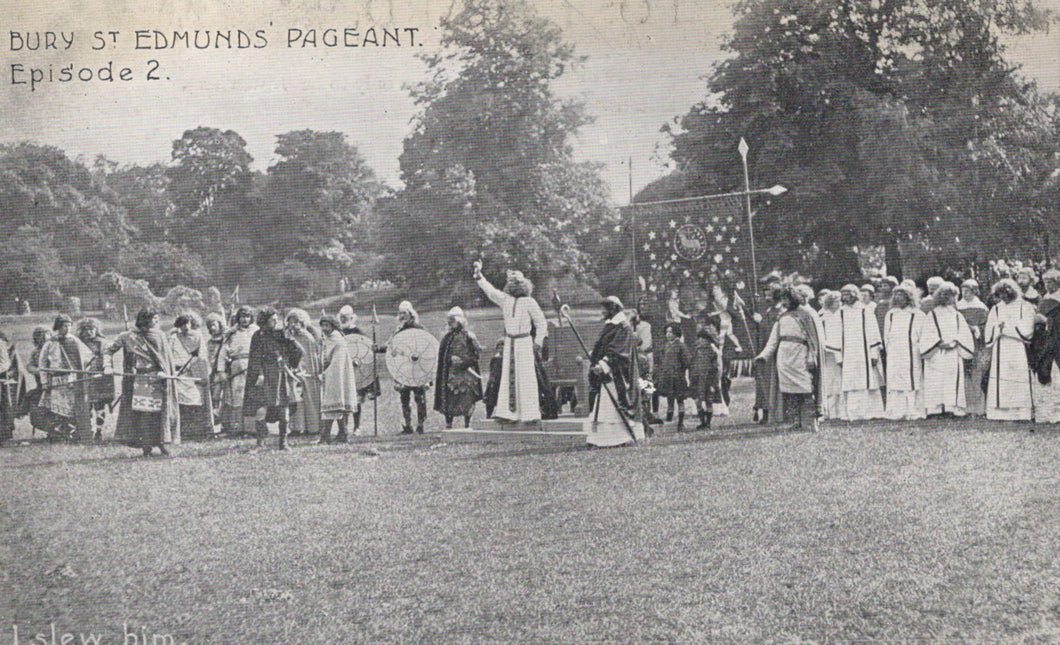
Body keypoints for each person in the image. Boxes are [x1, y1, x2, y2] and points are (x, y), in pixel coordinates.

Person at [474, 262, 553, 423]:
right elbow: (491, 292)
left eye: (515, 283)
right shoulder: (506, 300)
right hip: (510, 342)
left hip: (524, 342)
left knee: (525, 376)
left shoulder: (529, 302)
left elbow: (541, 323)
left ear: (523, 285)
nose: (512, 286)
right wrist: (479, 277)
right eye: (510, 283)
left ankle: (530, 414)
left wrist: (538, 342)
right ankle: (508, 413)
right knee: (507, 377)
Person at [106, 308, 180, 456]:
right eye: (155, 319)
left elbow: (165, 360)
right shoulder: (127, 336)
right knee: (143, 414)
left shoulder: (160, 336)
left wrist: (163, 371)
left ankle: (162, 443)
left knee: (159, 414)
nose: (157, 321)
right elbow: (108, 350)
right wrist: (107, 366)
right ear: (145, 319)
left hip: (158, 380)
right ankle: (146, 445)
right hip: (137, 381)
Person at [756, 287, 819, 430]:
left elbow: (812, 339)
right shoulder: (782, 317)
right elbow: (773, 340)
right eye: (783, 298)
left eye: (787, 298)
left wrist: (811, 356)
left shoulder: (805, 315)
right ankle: (796, 422)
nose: (785, 301)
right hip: (784, 356)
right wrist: (764, 355)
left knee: (805, 388)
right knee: (789, 391)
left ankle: (810, 422)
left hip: (800, 353)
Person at [245, 307, 303, 449]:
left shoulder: (281, 335)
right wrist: (259, 374)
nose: (276, 322)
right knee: (261, 408)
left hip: (280, 376)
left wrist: (291, 340)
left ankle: (283, 443)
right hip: (264, 376)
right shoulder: (258, 336)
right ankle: (261, 442)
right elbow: (254, 358)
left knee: (283, 409)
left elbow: (298, 353)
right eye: (273, 320)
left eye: (277, 320)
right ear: (265, 321)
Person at [825, 284, 885, 420]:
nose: (846, 297)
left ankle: (871, 412)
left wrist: (874, 354)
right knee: (851, 382)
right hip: (848, 355)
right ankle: (852, 413)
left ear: (855, 294)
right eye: (843, 295)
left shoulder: (865, 311)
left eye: (848, 294)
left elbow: (873, 333)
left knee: (868, 381)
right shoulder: (840, 313)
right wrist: (838, 357)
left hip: (865, 353)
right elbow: (834, 337)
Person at [920, 282, 975, 417]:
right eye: (948, 295)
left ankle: (951, 407)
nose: (951, 298)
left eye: (953, 296)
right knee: (935, 378)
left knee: (952, 378)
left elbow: (963, 332)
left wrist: (955, 342)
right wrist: (938, 343)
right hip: (936, 352)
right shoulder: (932, 314)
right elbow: (927, 332)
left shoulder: (956, 315)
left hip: (953, 351)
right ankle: (935, 409)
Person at [983, 278, 1035, 421]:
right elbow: (989, 328)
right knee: (1001, 377)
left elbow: (1027, 328)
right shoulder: (996, 308)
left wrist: (1007, 329)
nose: (1003, 298)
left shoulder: (1025, 306)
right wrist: (997, 331)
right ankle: (999, 412)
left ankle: (1020, 412)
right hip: (1000, 347)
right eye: (1000, 295)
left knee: (1018, 375)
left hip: (1017, 346)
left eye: (1005, 294)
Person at [377, 301, 430, 434]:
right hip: (403, 368)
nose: (402, 315)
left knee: (420, 398)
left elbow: (427, 346)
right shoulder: (398, 330)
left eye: (404, 313)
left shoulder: (419, 328)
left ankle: (420, 425)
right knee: (404, 398)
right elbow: (391, 346)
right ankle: (408, 425)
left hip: (416, 367)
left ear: (410, 314)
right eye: (400, 313)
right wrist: (378, 348)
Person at [39, 314, 94, 440]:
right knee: (57, 408)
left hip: (72, 379)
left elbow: (88, 358)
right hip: (56, 379)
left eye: (69, 326)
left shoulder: (75, 341)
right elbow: (42, 364)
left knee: (71, 407)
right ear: (58, 327)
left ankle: (72, 433)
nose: (67, 328)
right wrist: (44, 381)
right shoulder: (50, 343)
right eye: (64, 326)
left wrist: (87, 370)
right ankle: (57, 434)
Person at [882, 284, 926, 420]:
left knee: (911, 380)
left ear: (909, 297)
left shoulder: (917, 314)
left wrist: (918, 349)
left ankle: (913, 411)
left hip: (911, 352)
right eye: (896, 295)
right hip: (894, 353)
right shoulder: (890, 314)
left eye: (901, 295)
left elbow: (922, 335)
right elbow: (886, 335)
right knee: (895, 380)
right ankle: (895, 411)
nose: (898, 298)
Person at [435, 307, 483, 429]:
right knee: (449, 401)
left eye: (453, 320)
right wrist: (450, 361)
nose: (450, 323)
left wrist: (463, 362)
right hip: (450, 375)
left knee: (467, 399)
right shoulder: (446, 338)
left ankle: (467, 424)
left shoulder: (469, 336)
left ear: (460, 320)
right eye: (449, 320)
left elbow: (476, 355)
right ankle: (448, 424)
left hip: (466, 376)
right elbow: (442, 358)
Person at [338, 306, 381, 435]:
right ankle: (343, 427)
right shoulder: (338, 332)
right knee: (343, 400)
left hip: (357, 370)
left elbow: (366, 350)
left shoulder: (358, 332)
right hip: (342, 369)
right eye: (342, 318)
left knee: (356, 401)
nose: (344, 320)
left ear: (352, 318)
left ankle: (356, 427)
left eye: (346, 318)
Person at [169, 312, 213, 440]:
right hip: (178, 375)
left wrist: (202, 373)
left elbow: (202, 357)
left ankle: (198, 432)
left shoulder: (198, 336)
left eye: (187, 323)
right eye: (182, 324)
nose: (185, 327)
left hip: (193, 375)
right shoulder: (173, 338)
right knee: (181, 403)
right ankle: (183, 432)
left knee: (196, 401)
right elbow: (169, 356)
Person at [220, 306, 259, 437]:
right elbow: (223, 352)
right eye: (242, 316)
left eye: (247, 316)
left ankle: (253, 428)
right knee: (237, 398)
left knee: (253, 397)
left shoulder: (257, 331)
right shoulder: (231, 333)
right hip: (237, 367)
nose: (244, 319)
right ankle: (237, 428)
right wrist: (221, 371)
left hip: (253, 367)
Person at [318, 315, 358, 443]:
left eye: (327, 326)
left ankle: (328, 436)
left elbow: (337, 361)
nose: (324, 328)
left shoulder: (337, 340)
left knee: (333, 403)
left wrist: (326, 371)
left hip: (336, 375)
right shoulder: (329, 339)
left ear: (333, 326)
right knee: (334, 405)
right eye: (322, 326)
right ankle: (341, 433)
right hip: (332, 374)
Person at [77, 317, 116, 440]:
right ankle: (88, 430)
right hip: (84, 377)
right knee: (86, 405)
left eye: (92, 329)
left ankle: (99, 430)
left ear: (96, 329)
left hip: (100, 378)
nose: (89, 332)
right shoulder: (78, 343)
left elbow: (107, 355)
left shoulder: (102, 342)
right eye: (86, 329)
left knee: (99, 405)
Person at [285, 308, 322, 437]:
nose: (293, 325)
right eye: (290, 322)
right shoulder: (289, 337)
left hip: (308, 372)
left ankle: (313, 427)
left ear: (302, 323)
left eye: (296, 322)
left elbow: (311, 356)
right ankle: (296, 428)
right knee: (296, 399)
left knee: (310, 400)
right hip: (294, 371)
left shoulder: (308, 337)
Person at [1029, 269, 1060, 423]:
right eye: (1046, 281)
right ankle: (1045, 414)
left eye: (1051, 281)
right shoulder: (1044, 299)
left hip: (1057, 342)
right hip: (1043, 343)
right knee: (1044, 377)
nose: (1048, 285)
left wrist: (1047, 321)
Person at [753, 282, 785, 423]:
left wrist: (761, 322)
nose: (766, 298)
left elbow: (774, 331)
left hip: (775, 353)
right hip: (764, 351)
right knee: (763, 382)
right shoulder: (769, 310)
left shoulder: (780, 312)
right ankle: (765, 412)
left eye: (769, 295)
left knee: (772, 382)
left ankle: (774, 412)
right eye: (765, 295)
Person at [956, 279, 989, 416]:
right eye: (963, 290)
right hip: (961, 343)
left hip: (977, 345)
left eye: (968, 290)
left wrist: (975, 329)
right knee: (963, 374)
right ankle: (964, 406)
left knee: (976, 375)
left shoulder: (981, 307)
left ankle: (978, 407)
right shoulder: (957, 306)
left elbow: (986, 327)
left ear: (974, 291)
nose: (965, 293)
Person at [655, 323, 692, 431]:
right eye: (667, 332)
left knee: (680, 400)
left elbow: (687, 361)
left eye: (670, 332)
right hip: (667, 377)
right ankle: (669, 422)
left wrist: (680, 369)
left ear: (676, 333)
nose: (668, 334)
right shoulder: (665, 346)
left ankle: (680, 423)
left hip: (677, 377)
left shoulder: (681, 345)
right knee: (669, 399)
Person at [688, 323, 723, 430]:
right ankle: (703, 422)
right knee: (699, 401)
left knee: (708, 401)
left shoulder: (711, 352)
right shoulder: (695, 352)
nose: (701, 341)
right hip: (698, 380)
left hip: (707, 380)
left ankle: (707, 423)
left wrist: (714, 383)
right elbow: (691, 366)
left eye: (703, 339)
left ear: (708, 341)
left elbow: (715, 369)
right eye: (699, 338)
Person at [817, 290, 844, 420]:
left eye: (840, 300)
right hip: (827, 355)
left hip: (841, 353)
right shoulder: (822, 317)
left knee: (839, 382)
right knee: (828, 382)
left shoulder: (843, 315)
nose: (839, 303)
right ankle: (827, 412)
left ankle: (840, 412)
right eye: (836, 301)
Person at [204, 312, 227, 425]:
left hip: (225, 371)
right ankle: (215, 422)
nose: (212, 328)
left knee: (226, 397)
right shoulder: (209, 342)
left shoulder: (226, 339)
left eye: (214, 325)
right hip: (213, 372)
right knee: (215, 396)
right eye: (209, 326)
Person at [483, 338, 505, 418]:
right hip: (494, 381)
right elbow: (492, 370)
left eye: (503, 347)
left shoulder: (507, 359)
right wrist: (491, 378)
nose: (501, 349)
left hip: (503, 381)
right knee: (490, 400)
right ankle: (488, 415)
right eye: (499, 347)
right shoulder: (495, 358)